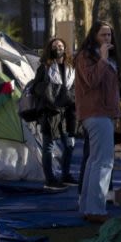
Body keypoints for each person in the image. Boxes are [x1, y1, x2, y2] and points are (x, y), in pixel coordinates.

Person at [75, 21, 121, 223]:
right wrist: (104, 60)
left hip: (105, 113)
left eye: (109, 35)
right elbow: (91, 81)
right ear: (94, 36)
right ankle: (96, 209)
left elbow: (107, 87)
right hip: (95, 113)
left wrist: (120, 79)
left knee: (94, 161)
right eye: (103, 35)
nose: (107, 38)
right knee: (104, 161)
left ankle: (88, 206)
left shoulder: (107, 60)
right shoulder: (86, 56)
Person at [34, 38, 78, 190]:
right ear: (49, 49)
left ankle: (65, 175)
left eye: (60, 45)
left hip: (67, 111)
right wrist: (49, 91)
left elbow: (74, 87)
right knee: (48, 146)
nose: (58, 48)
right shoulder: (45, 67)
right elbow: (36, 87)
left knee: (69, 145)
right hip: (50, 111)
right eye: (54, 46)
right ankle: (50, 179)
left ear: (65, 48)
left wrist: (71, 98)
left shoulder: (71, 67)